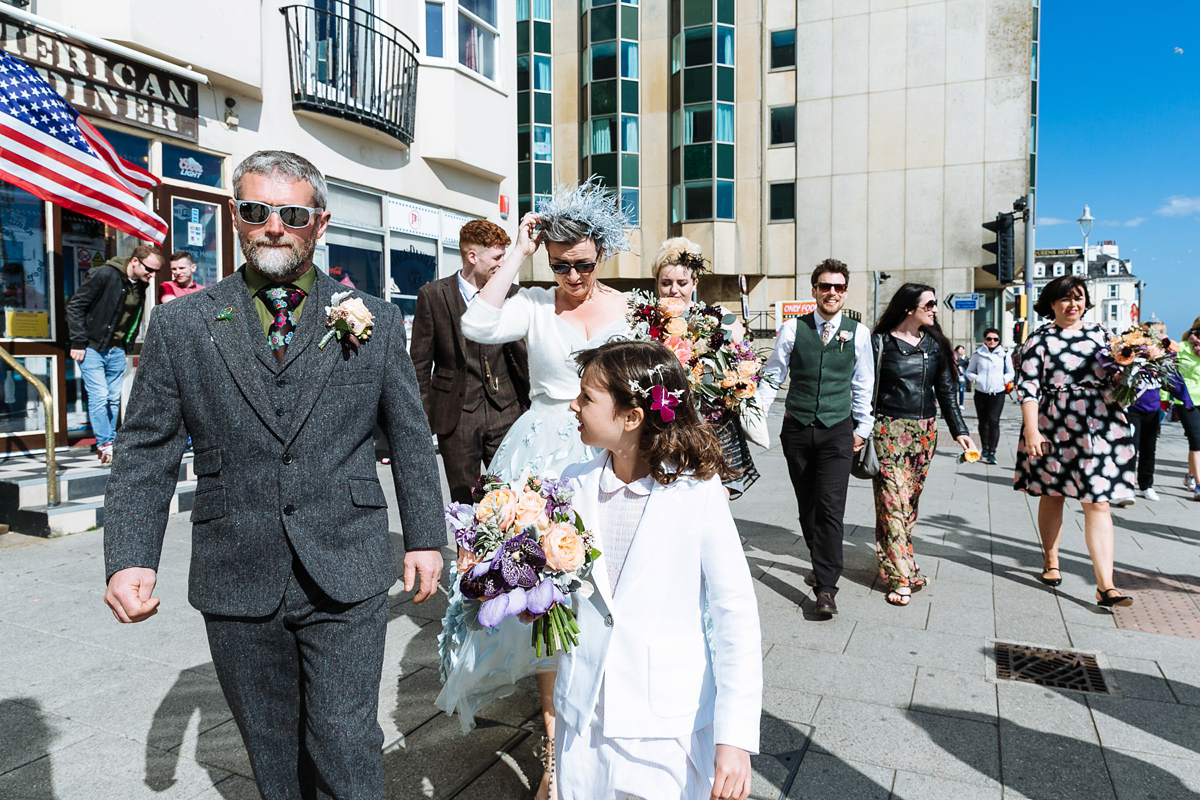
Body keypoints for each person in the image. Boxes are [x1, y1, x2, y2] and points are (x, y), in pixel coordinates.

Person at [102, 150, 446, 799]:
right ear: (236, 217)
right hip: (237, 570)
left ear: (320, 222)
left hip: (347, 563)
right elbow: (146, 447)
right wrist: (129, 556)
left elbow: (407, 434)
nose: (274, 227)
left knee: (345, 736)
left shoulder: (374, 317)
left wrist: (425, 536)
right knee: (271, 746)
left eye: (291, 213)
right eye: (258, 211)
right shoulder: (182, 323)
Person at [436, 179, 632, 800]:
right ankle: (554, 757)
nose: (571, 274)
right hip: (545, 449)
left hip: (613, 453)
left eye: (582, 263)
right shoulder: (535, 306)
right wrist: (518, 253)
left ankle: (604, 736)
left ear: (600, 255)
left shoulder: (626, 310)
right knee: (544, 598)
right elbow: (475, 321)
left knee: (607, 596)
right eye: (559, 263)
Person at [555, 339, 761, 800]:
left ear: (631, 417)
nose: (573, 405)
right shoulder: (571, 485)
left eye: (587, 397)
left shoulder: (698, 494)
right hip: (584, 716)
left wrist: (735, 738)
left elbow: (736, 615)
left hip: (665, 724)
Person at [758, 258, 874, 617]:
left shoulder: (859, 332)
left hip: (837, 431)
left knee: (830, 509)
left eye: (839, 287)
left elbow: (863, 383)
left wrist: (862, 429)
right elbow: (773, 375)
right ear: (814, 291)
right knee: (807, 507)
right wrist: (756, 417)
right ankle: (818, 558)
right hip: (796, 429)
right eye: (826, 286)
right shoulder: (793, 329)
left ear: (845, 292)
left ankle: (826, 587)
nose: (832, 293)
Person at [1014, 274, 1135, 608]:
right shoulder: (1039, 339)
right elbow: (1028, 387)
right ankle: (1051, 560)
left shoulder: (1102, 334)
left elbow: (1118, 373)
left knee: (1097, 501)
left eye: (1078, 297)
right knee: (1053, 494)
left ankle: (1105, 585)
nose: (1073, 304)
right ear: (1051, 303)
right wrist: (1031, 430)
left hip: (1100, 423)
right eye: (1065, 298)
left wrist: (1133, 369)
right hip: (1054, 422)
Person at [409, 220, 529, 504]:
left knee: (513, 495)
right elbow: (420, 365)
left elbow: (526, 356)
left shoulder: (511, 294)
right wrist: (423, 420)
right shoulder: (434, 295)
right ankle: (468, 550)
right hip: (456, 414)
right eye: (497, 257)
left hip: (507, 411)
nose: (503, 264)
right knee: (463, 500)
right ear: (472, 256)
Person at [871, 284, 975, 606]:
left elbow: (946, 392)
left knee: (909, 504)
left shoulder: (935, 345)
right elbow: (862, 387)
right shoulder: (880, 344)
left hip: (924, 434)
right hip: (887, 431)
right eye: (928, 304)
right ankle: (903, 578)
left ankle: (901, 565)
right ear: (908, 309)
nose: (934, 309)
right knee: (892, 504)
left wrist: (960, 431)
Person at [651, 236, 766, 499]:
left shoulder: (716, 318)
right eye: (666, 283)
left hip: (714, 427)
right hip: (666, 427)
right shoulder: (648, 323)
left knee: (717, 500)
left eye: (681, 283)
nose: (674, 290)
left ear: (694, 283)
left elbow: (745, 362)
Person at [66, 243, 164, 465]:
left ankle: (109, 441)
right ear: (135, 261)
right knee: (99, 395)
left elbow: (133, 315)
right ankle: (105, 443)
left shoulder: (140, 284)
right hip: (92, 346)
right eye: (149, 269)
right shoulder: (105, 274)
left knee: (112, 398)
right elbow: (76, 306)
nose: (152, 274)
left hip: (116, 348)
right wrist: (78, 341)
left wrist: (127, 343)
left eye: (156, 271)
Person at [965, 327, 1014, 465]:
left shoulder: (1004, 354)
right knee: (983, 421)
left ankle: (992, 452)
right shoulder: (977, 354)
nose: (992, 341)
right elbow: (969, 371)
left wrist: (1003, 379)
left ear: (999, 341)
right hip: (981, 392)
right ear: (984, 340)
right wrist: (976, 379)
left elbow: (1011, 373)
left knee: (994, 421)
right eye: (989, 339)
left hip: (998, 392)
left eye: (995, 339)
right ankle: (985, 447)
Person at [1175, 319, 1200, 501]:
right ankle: (1199, 484)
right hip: (1187, 400)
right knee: (1196, 440)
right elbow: (1172, 373)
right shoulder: (1182, 348)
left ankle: (1190, 475)